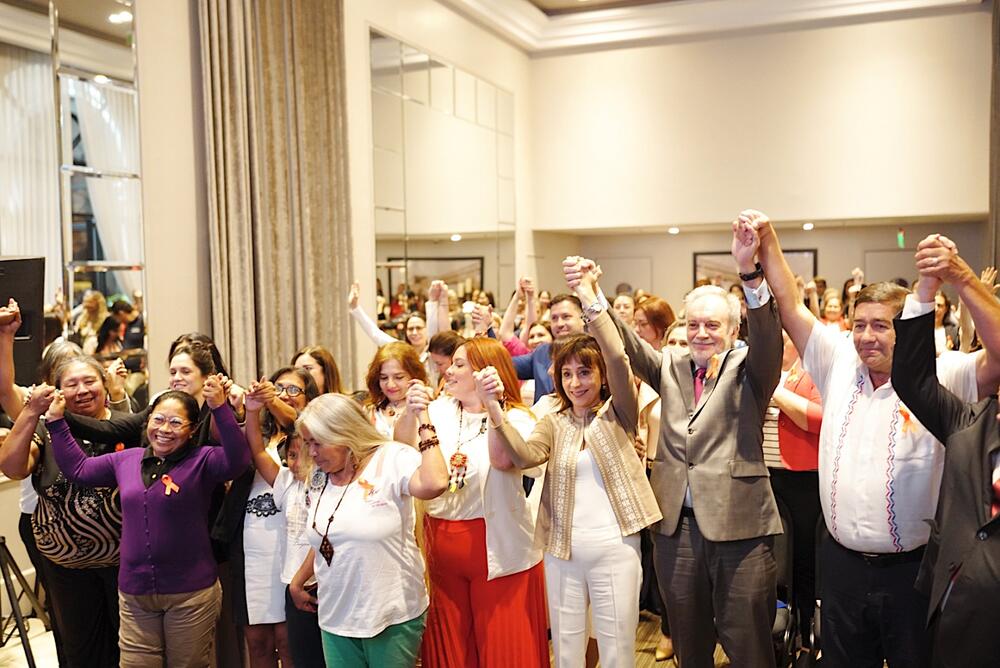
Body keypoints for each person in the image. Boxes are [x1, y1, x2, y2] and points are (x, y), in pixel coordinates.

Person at [755, 216, 1000, 668]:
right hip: (843, 567)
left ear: (908, 330)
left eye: (882, 326)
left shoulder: (945, 374)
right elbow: (789, 305)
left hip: (915, 571)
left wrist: (960, 277)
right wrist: (767, 239)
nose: (866, 337)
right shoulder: (839, 364)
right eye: (860, 325)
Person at [564, 209, 783, 668]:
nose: (702, 333)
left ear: (732, 330)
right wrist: (591, 296)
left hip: (740, 530)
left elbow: (768, 338)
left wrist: (749, 271)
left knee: (749, 647)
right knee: (688, 642)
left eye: (713, 325)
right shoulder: (670, 366)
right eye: (694, 324)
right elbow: (623, 344)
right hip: (675, 531)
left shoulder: (751, 370)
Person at [45, 374, 250, 667]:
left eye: (176, 423)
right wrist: (55, 421)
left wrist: (219, 407)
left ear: (192, 431)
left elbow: (239, 460)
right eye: (158, 420)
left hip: (190, 593)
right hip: (135, 594)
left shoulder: (203, 460)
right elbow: (79, 469)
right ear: (147, 422)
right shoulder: (126, 459)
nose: (165, 429)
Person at [488, 319, 661, 664]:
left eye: (584, 372)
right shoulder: (553, 421)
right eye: (566, 375)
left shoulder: (619, 412)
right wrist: (495, 410)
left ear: (601, 375)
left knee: (617, 649)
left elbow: (618, 359)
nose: (575, 383)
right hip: (562, 550)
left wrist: (592, 304)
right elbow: (524, 456)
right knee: (567, 648)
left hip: (615, 547)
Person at [395, 337, 549, 667]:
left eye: (460, 365)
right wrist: (412, 411)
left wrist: (492, 406)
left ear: (484, 373)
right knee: (451, 645)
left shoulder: (517, 418)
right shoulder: (438, 410)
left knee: (503, 646)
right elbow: (402, 448)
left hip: (498, 548)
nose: (448, 371)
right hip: (440, 544)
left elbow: (506, 461)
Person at [890, 234, 1000, 668]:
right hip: (957, 614)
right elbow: (914, 381)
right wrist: (927, 290)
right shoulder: (969, 422)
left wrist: (964, 278)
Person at [288, 393, 448, 667]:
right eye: (308, 443)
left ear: (345, 434)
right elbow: (328, 536)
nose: (312, 452)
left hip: (389, 614)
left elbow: (435, 483)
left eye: (319, 443)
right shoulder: (319, 474)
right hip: (336, 616)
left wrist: (424, 419)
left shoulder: (390, 458)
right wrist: (298, 580)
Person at [1, 355, 132, 668]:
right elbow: (13, 466)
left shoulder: (126, 426)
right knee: (80, 650)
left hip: (125, 562)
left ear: (105, 385)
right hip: (65, 566)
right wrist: (32, 411)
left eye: (90, 381)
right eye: (71, 384)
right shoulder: (46, 431)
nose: (82, 390)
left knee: (128, 648)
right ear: (58, 391)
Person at [218, 367, 317, 668]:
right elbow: (254, 450)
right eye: (278, 387)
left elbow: (297, 422)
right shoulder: (258, 434)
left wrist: (272, 400)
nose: (284, 394)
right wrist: (251, 409)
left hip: (294, 552)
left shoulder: (315, 438)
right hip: (251, 548)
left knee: (290, 642)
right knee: (258, 642)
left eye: (294, 389)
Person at [243, 381, 325, 667]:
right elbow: (257, 450)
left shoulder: (328, 481)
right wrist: (252, 411)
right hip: (293, 583)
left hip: (323, 581)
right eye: (291, 455)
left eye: (304, 454)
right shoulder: (285, 482)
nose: (297, 462)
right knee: (301, 656)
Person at [764, 331, 823, 641]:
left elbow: (816, 419)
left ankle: (803, 632)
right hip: (764, 477)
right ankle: (774, 630)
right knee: (770, 561)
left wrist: (774, 391)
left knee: (801, 558)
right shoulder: (758, 368)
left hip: (802, 479)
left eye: (783, 334)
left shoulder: (812, 371)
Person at [511, 294, 587, 402]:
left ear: (583, 318)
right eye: (554, 318)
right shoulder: (542, 352)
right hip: (543, 417)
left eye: (566, 317)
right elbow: (504, 363)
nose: (559, 323)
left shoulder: (595, 351)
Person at [365, 342, 428, 439]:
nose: (390, 384)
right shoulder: (370, 411)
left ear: (414, 375)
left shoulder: (428, 409)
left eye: (398, 377)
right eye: (384, 378)